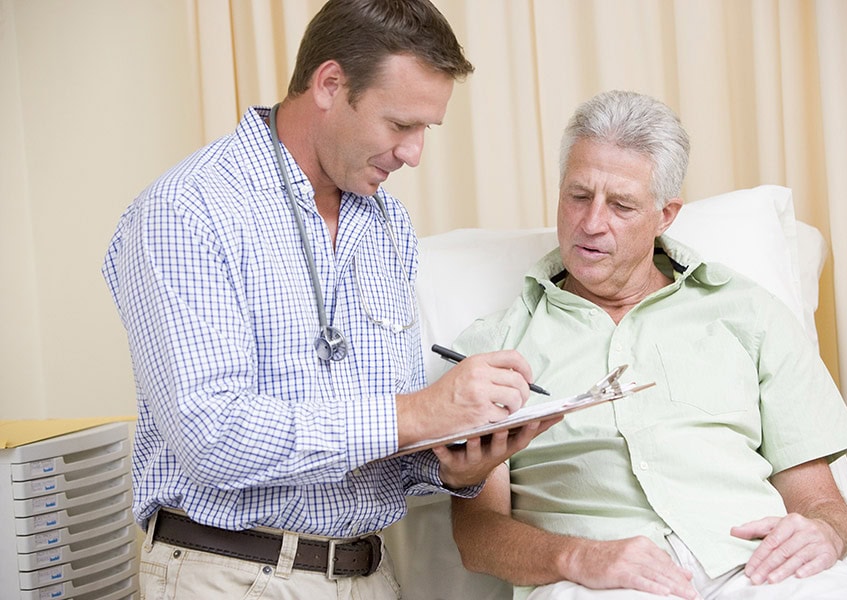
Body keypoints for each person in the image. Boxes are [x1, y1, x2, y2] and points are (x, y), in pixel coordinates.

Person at [102, 1, 554, 597]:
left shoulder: (386, 222)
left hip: (368, 575)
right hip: (233, 575)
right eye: (400, 125)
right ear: (330, 83)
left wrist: (455, 463)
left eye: (426, 130)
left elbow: (371, 441)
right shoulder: (186, 211)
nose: (415, 153)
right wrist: (418, 412)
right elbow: (209, 437)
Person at [449, 90, 847, 599]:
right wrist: (578, 557)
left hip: (755, 569)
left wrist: (824, 532)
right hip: (597, 581)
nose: (592, 223)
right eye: (578, 195)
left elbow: (820, 501)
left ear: (666, 215)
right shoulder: (494, 347)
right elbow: (478, 536)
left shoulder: (750, 314)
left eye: (622, 205)